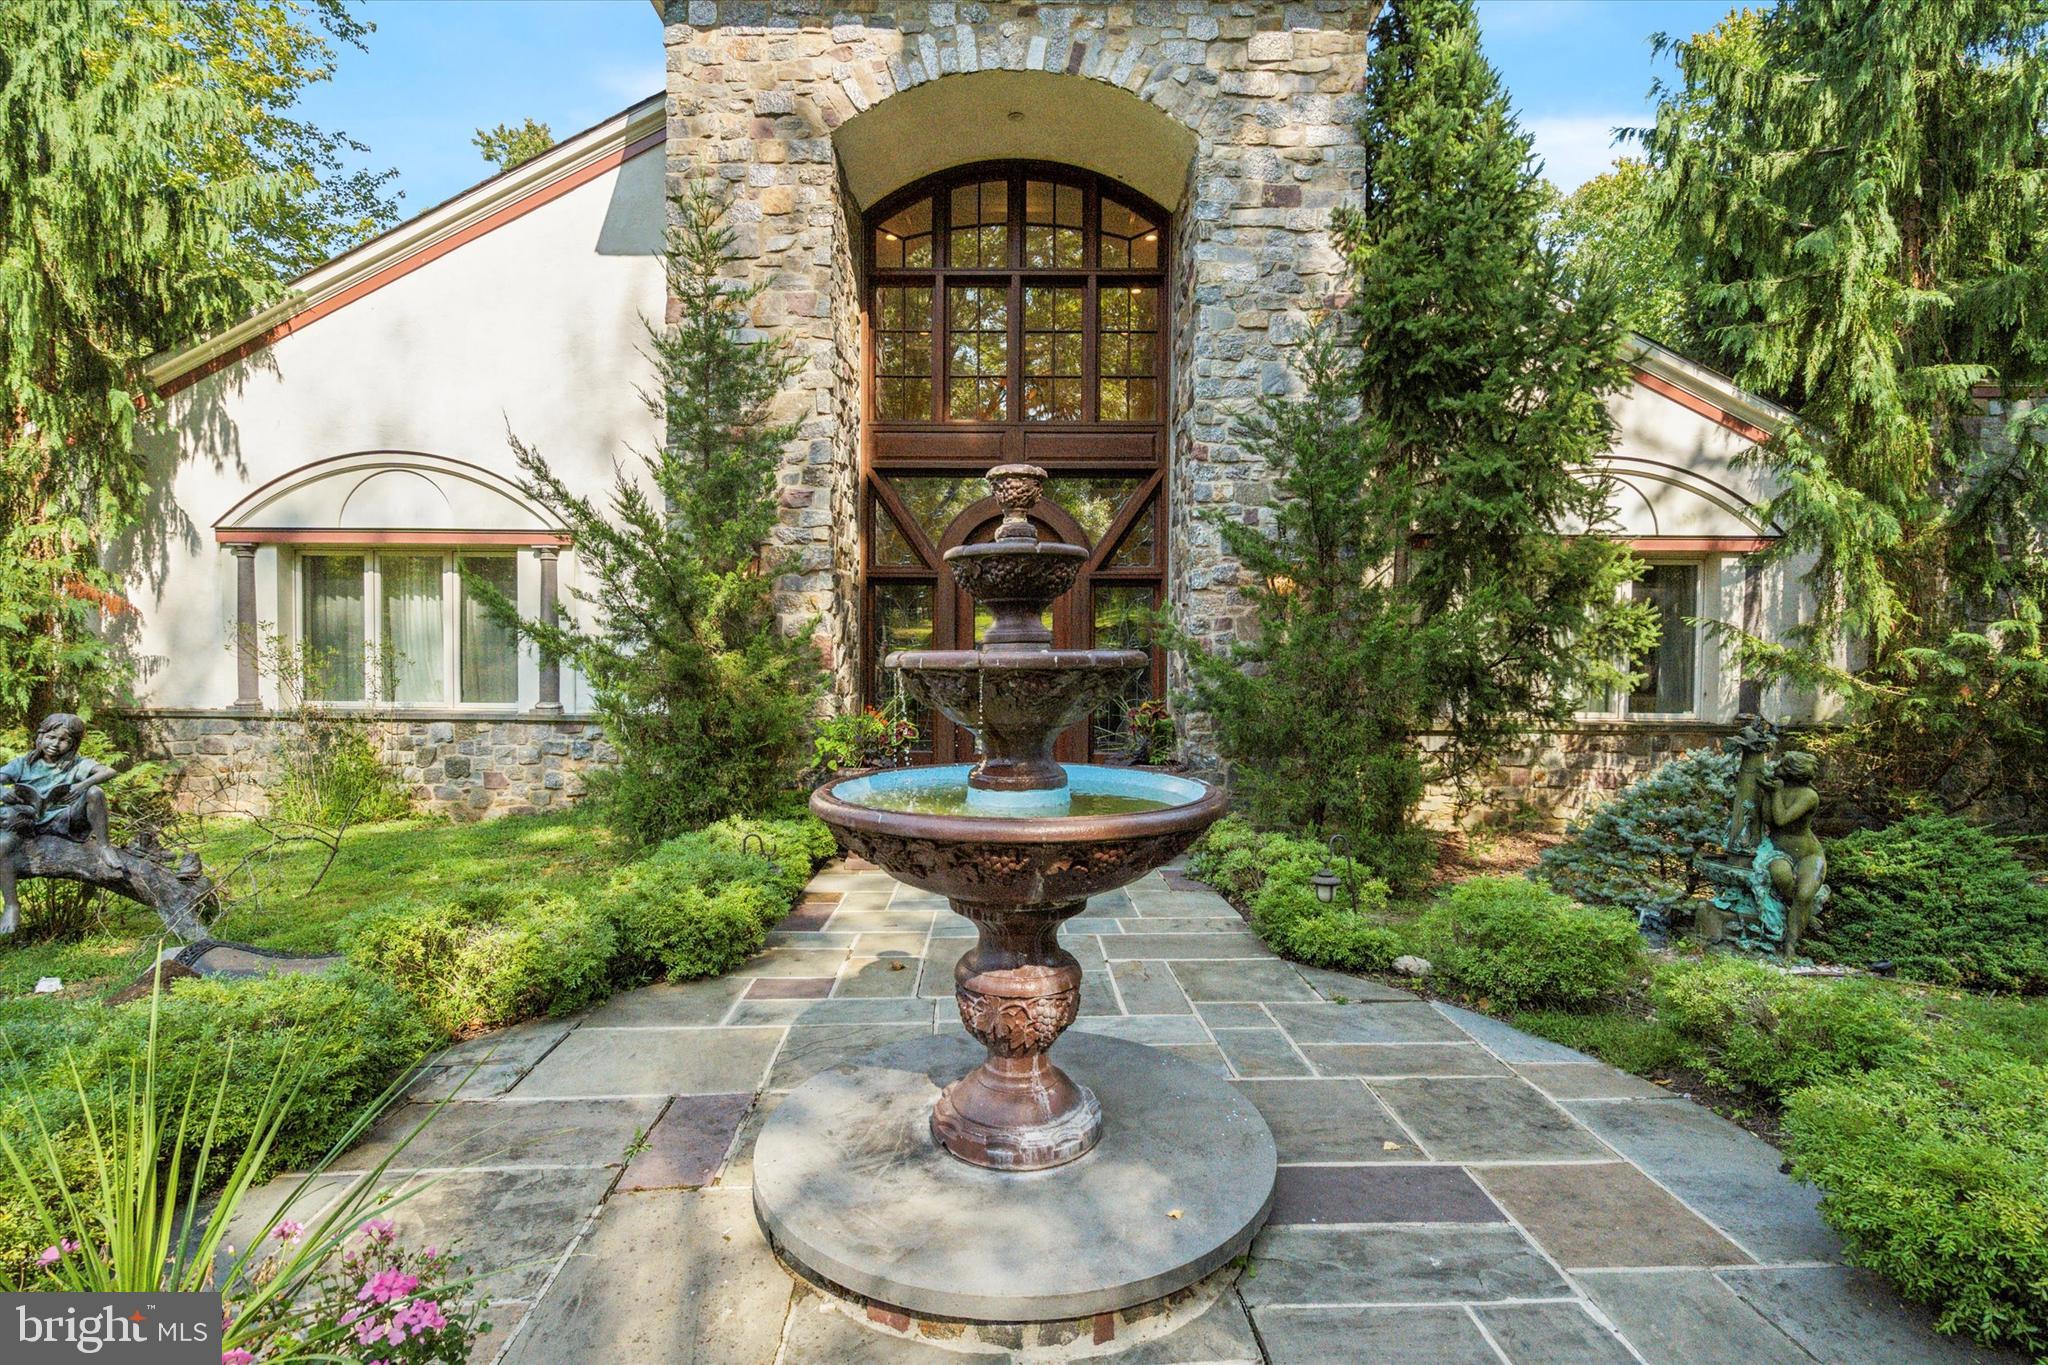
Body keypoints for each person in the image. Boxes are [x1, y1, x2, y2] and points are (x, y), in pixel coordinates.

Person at [0, 713, 122, 935]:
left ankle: (105, 847)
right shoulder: (23, 763)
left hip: (63, 817)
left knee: (95, 792)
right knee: (1, 846)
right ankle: (11, 905)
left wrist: (82, 785)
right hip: (27, 820)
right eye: (51, 737)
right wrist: (3, 792)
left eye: (64, 740)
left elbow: (109, 771)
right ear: (40, 736)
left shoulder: (75, 764)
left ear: (73, 744)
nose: (55, 744)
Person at [1758, 749, 1826, 957]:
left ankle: (1790, 944)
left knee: (1805, 893)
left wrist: (1775, 792)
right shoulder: (1776, 789)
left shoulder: (1809, 796)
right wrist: (1770, 793)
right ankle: (1802, 911)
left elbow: (1782, 819)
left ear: (1792, 771)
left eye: (1781, 765)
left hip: (1808, 854)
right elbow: (1769, 819)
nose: (1776, 768)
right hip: (1777, 851)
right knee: (1782, 877)